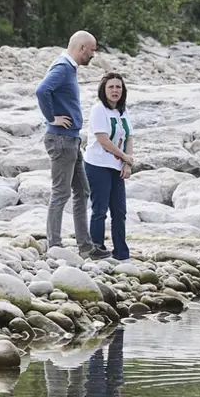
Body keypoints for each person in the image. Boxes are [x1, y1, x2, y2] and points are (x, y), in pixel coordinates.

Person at [35, 30, 108, 259]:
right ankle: (54, 246)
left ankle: (85, 247)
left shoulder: (66, 66)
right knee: (60, 193)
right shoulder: (63, 67)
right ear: (81, 48)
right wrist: (52, 118)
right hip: (61, 139)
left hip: (71, 141)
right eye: (92, 49)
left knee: (83, 190)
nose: (94, 54)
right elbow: (42, 90)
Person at [83, 72, 133, 260]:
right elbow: (103, 140)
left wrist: (127, 163)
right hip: (98, 165)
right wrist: (125, 157)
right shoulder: (98, 110)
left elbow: (129, 137)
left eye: (118, 87)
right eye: (111, 87)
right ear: (104, 90)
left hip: (117, 166)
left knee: (119, 211)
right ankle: (96, 249)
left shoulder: (123, 111)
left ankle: (121, 252)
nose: (115, 90)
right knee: (100, 210)